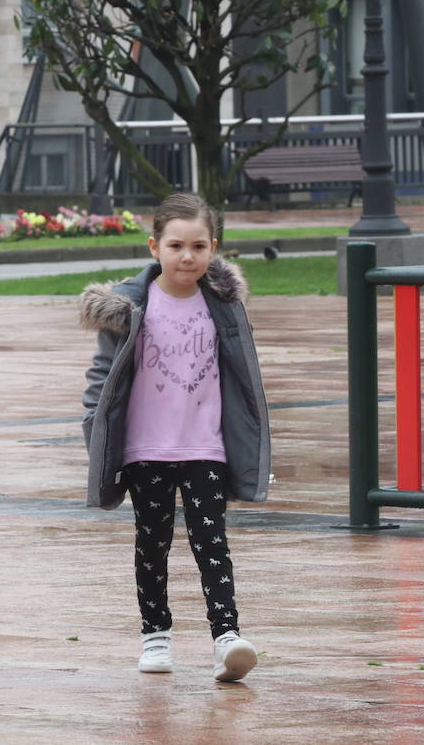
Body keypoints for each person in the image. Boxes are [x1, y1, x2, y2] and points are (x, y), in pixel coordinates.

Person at [79, 192, 269, 683]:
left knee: (212, 541)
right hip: (147, 450)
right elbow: (102, 380)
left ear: (214, 248)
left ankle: (227, 638)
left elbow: (244, 375)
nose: (188, 256)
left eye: (199, 246)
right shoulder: (130, 308)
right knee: (152, 543)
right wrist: (95, 435)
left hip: (205, 446)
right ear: (154, 247)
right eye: (177, 245)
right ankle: (155, 636)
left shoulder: (223, 306)